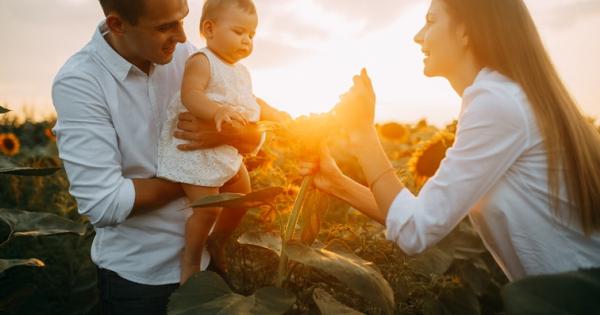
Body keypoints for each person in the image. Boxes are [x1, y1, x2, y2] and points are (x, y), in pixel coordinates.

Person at [301, 0, 600, 282]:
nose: (419, 37)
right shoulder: (504, 98)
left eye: (431, 21)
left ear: (465, 31)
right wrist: (335, 182)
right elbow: (422, 214)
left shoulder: (496, 102)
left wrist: (363, 134)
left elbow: (414, 230)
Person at [51, 0, 262, 313]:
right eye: (165, 27)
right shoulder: (81, 82)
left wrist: (230, 135)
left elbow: (254, 130)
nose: (181, 36)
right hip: (140, 282)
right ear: (118, 25)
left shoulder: (190, 56)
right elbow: (105, 202)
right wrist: (198, 173)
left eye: (182, 20)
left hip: (208, 265)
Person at [156, 0, 290, 284]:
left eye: (252, 35)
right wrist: (217, 111)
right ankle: (191, 260)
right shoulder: (202, 60)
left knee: (243, 196)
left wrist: (273, 112)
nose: (247, 40)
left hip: (223, 149)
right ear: (209, 28)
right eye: (240, 31)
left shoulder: (241, 72)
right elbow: (190, 94)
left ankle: (217, 240)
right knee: (209, 209)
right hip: (194, 152)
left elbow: (250, 101)